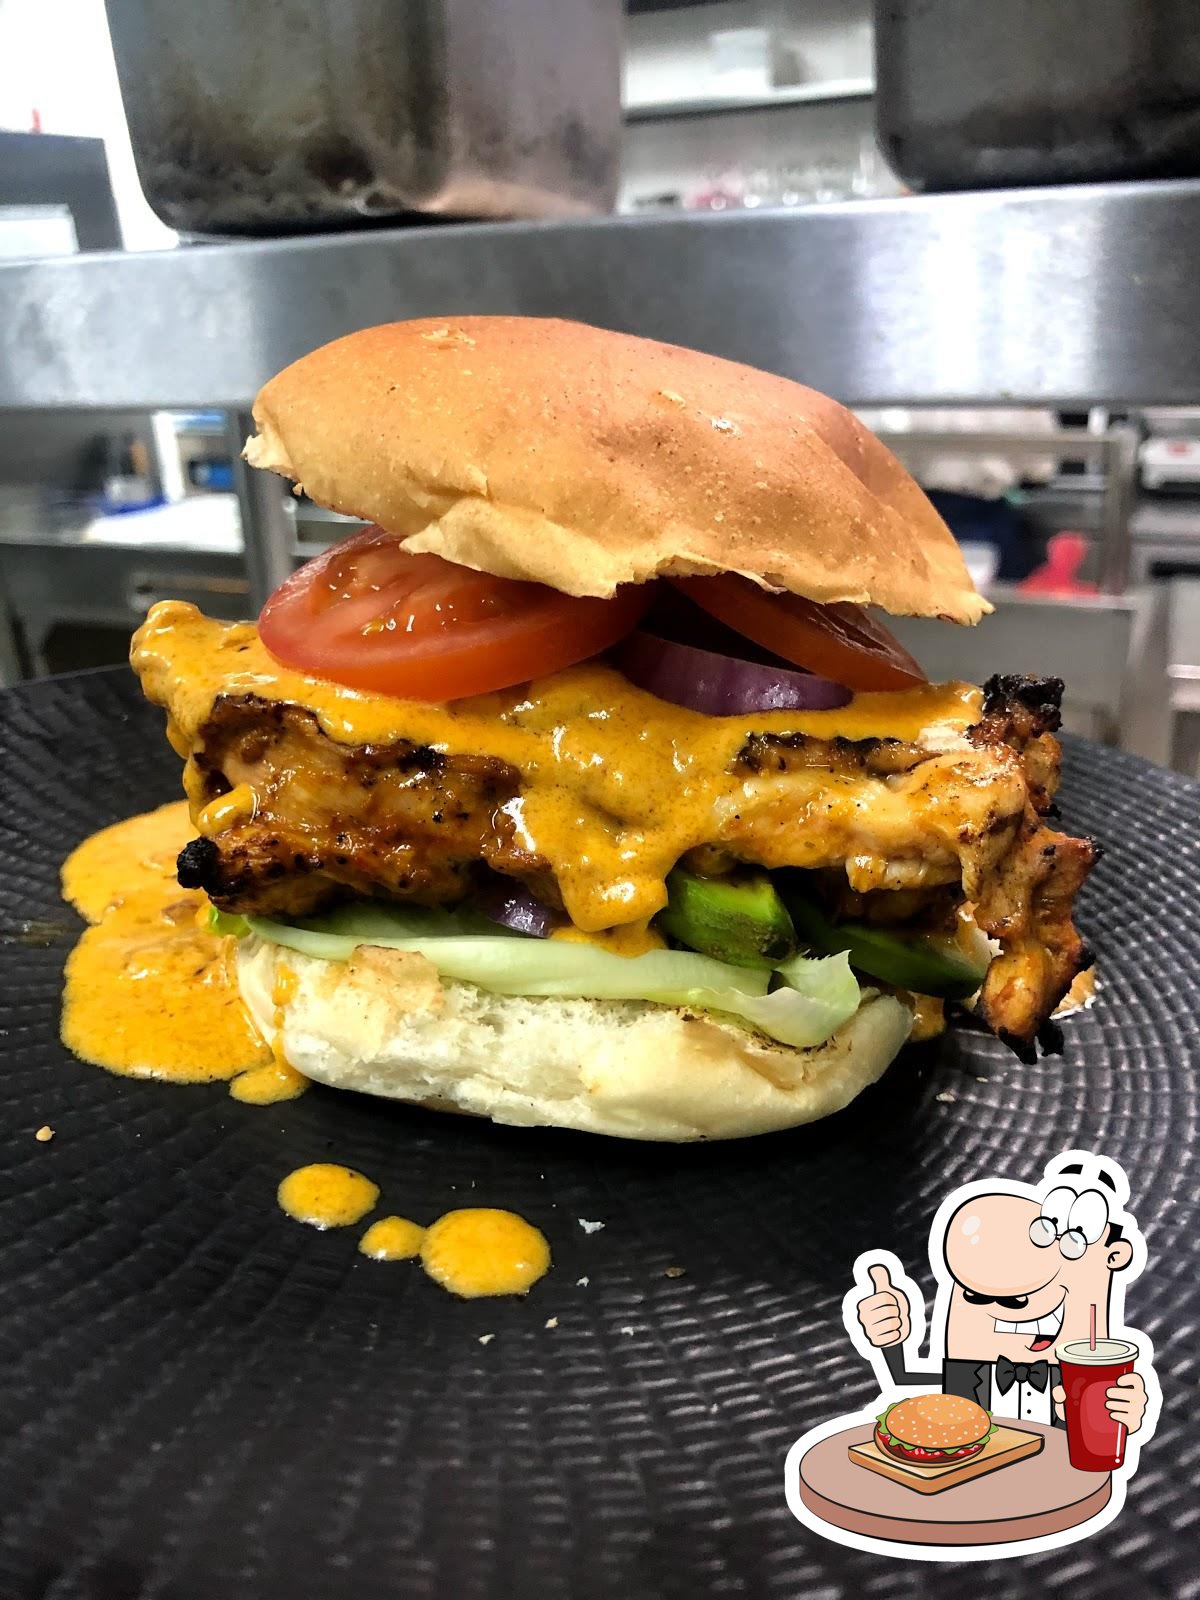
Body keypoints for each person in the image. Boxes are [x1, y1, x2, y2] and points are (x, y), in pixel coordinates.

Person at [854, 1159, 1149, 1432]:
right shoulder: (971, 1373)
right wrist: (891, 1340)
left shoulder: (1083, 1382)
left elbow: (1102, 1428)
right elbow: (904, 1379)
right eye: (975, 1296)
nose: (1004, 1303)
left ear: (1115, 1257)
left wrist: (1127, 1413)